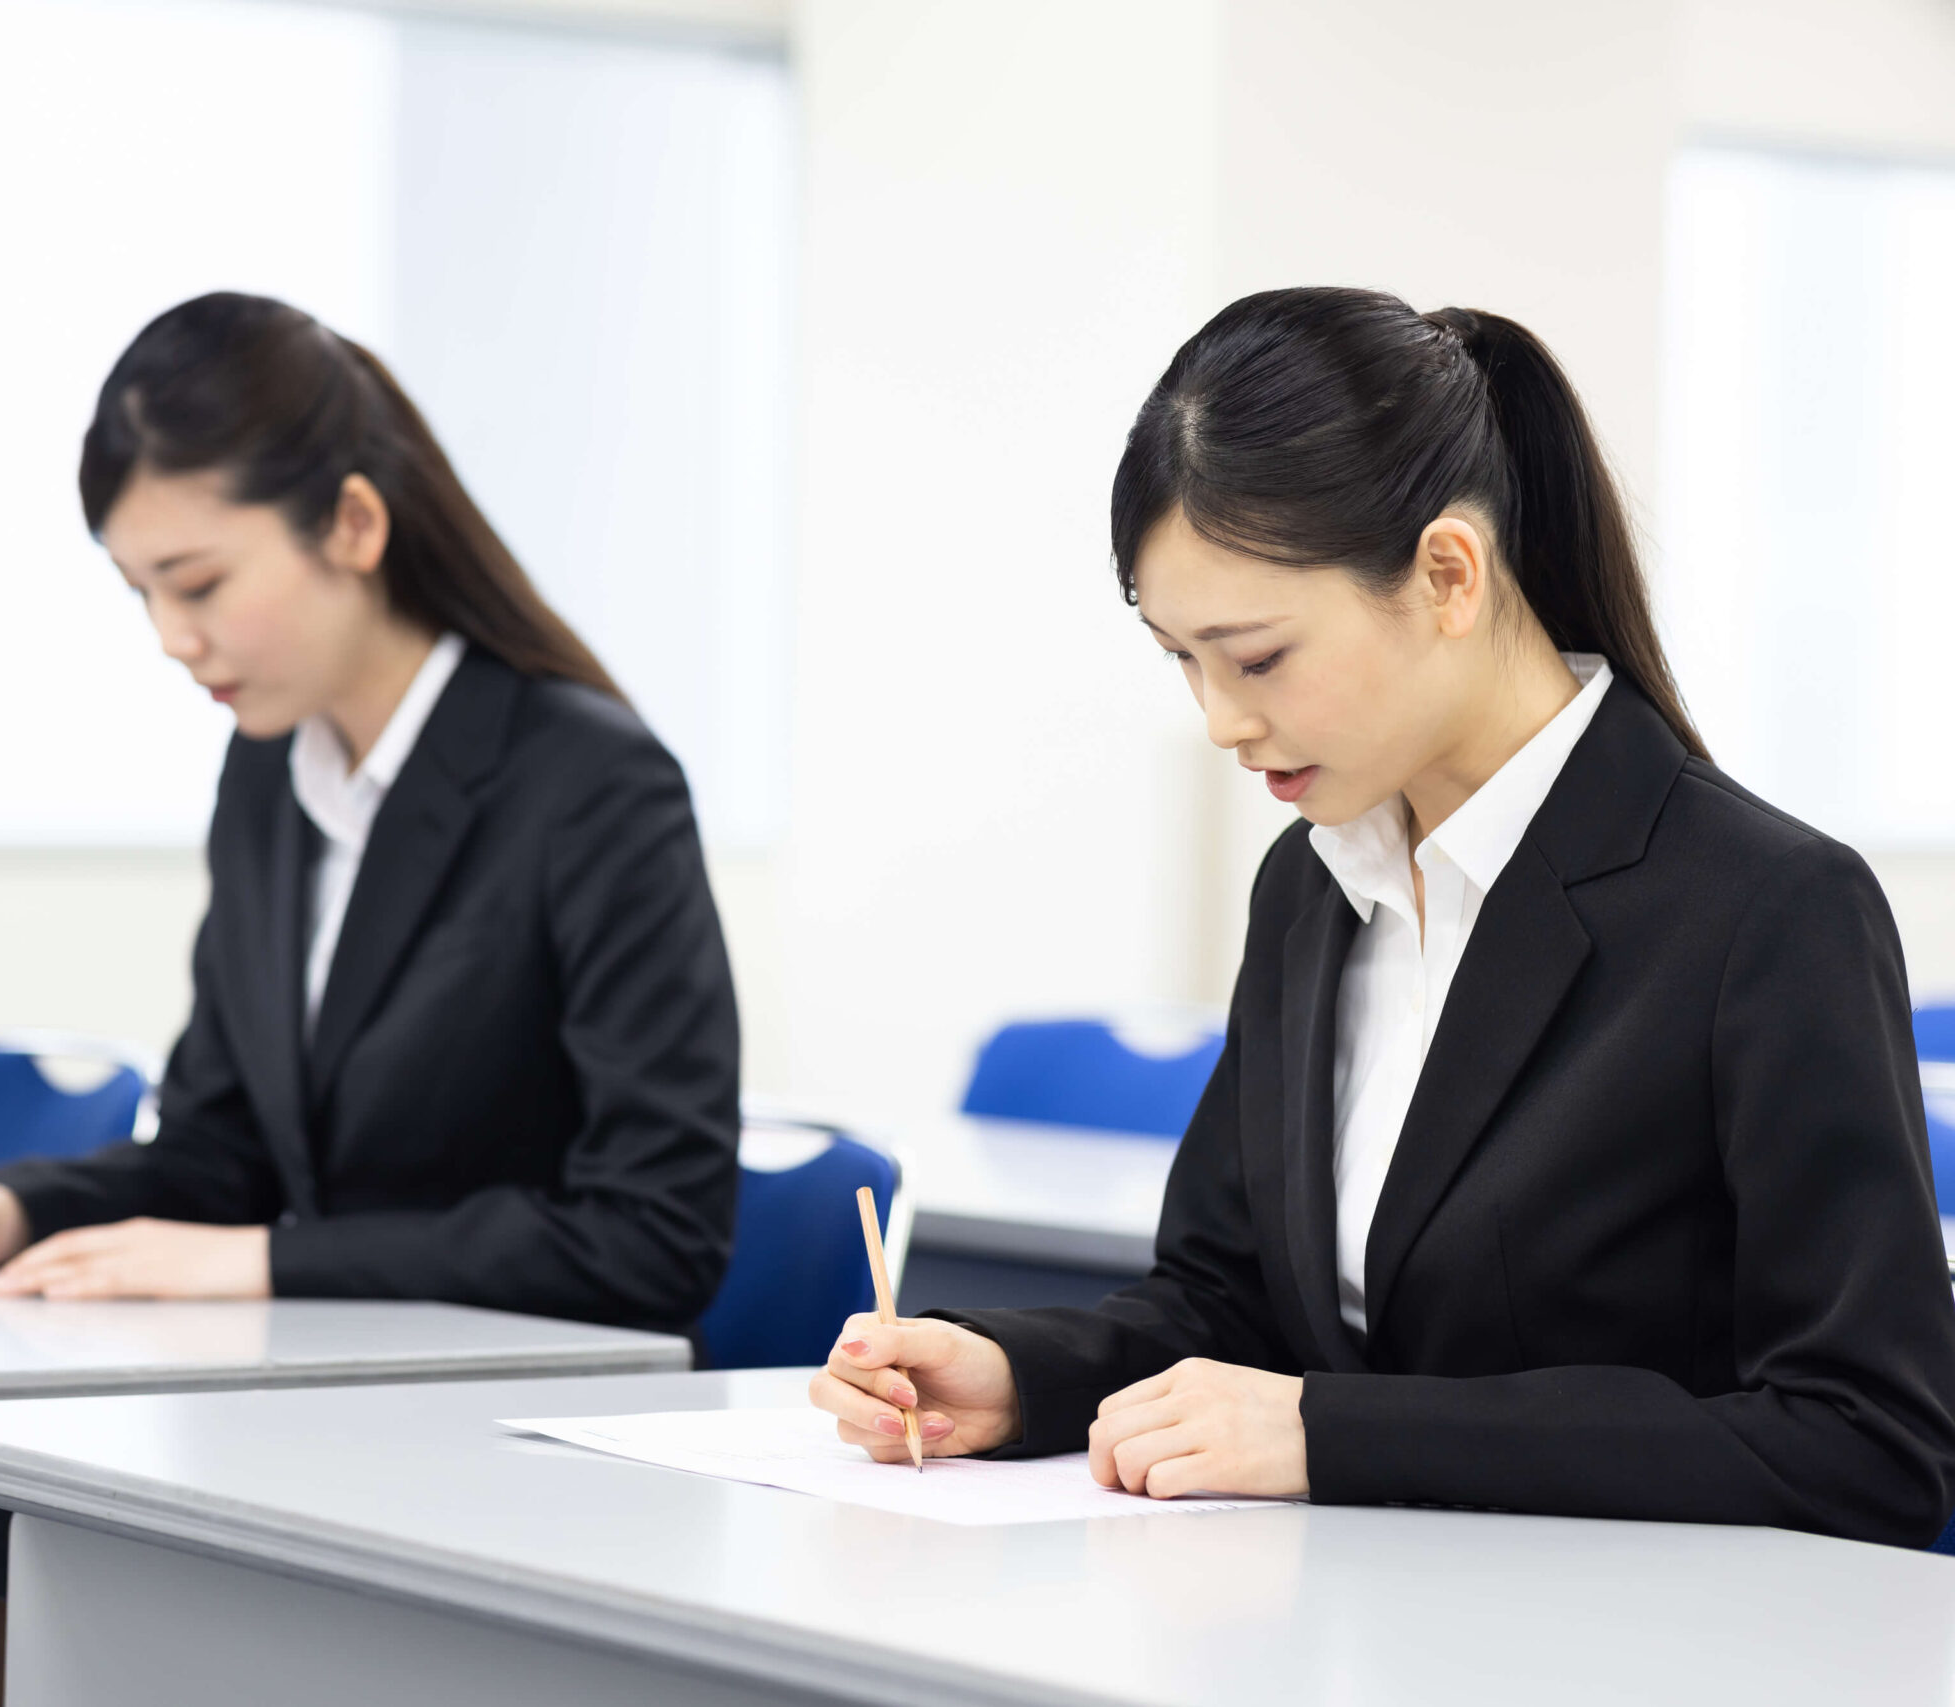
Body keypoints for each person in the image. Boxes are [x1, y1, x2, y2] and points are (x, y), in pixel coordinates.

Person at [812, 287, 1955, 1545]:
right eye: (1179, 659)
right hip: (1341, 1619)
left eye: (1255, 657)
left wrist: (1329, 1435)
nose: (1220, 721)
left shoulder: (1768, 912)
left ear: (1448, 575)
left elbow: (1869, 1446)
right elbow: (1230, 1305)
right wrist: (1021, 1375)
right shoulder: (1312, 885)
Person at [0, 293, 739, 1333]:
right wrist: (5, 1213)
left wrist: (268, 1263)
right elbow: (216, 1153)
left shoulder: (588, 783)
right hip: (316, 1387)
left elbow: (653, 1237)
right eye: (141, 594)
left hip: (521, 1423)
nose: (173, 639)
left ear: (354, 525)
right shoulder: (270, 771)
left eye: (200, 584)